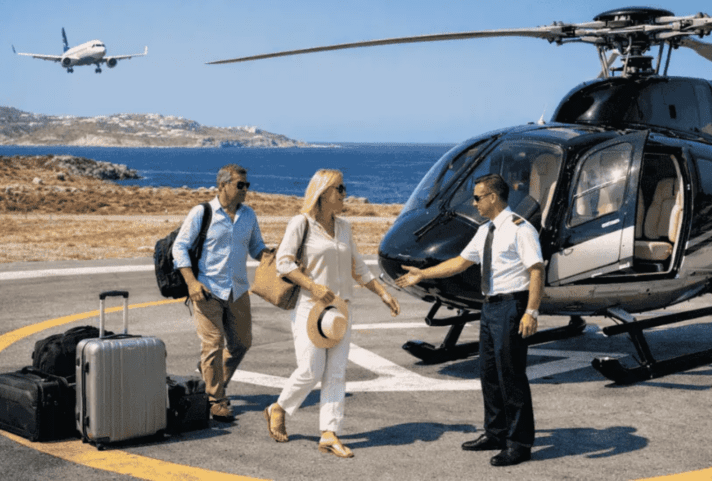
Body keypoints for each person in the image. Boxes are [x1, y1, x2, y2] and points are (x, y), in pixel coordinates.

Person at [396, 173, 544, 467]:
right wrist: (423, 274)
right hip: (490, 307)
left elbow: (537, 271)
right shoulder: (486, 230)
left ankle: (520, 443)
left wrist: (531, 312)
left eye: (477, 197)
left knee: (511, 375)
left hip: (512, 306)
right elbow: (460, 262)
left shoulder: (520, 229)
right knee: (489, 373)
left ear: (493, 197)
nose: (474, 203)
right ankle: (495, 432)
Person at [264, 169, 401, 458]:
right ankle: (279, 407)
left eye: (343, 188)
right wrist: (312, 286)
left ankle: (329, 432)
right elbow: (284, 264)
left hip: (340, 310)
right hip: (310, 307)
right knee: (311, 369)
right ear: (323, 192)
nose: (344, 193)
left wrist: (383, 293)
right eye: (339, 189)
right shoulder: (301, 223)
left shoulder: (344, 227)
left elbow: (358, 267)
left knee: (336, 373)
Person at [173, 164, 268, 423]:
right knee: (213, 344)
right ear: (223, 185)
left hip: (237, 290)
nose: (246, 190)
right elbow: (179, 247)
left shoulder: (248, 216)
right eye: (240, 185)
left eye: (247, 185)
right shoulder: (202, 213)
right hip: (207, 290)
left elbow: (256, 247)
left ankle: (211, 379)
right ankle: (216, 400)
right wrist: (191, 282)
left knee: (241, 344)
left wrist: (272, 255)